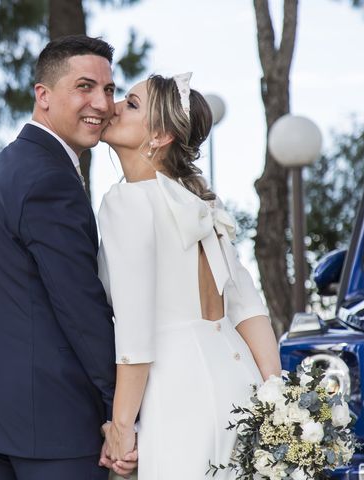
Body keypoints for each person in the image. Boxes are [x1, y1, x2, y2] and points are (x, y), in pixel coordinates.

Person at [0, 35, 136, 480]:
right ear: (43, 96)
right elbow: (80, 306)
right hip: (50, 424)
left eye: (108, 90)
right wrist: (119, 413)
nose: (103, 103)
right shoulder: (52, 178)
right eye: (85, 87)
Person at [97, 73, 282, 479]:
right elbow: (249, 309)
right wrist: (278, 399)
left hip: (178, 394)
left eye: (130, 103)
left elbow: (135, 330)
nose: (111, 107)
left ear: (160, 135)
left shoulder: (126, 202)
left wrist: (122, 428)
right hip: (240, 384)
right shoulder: (201, 205)